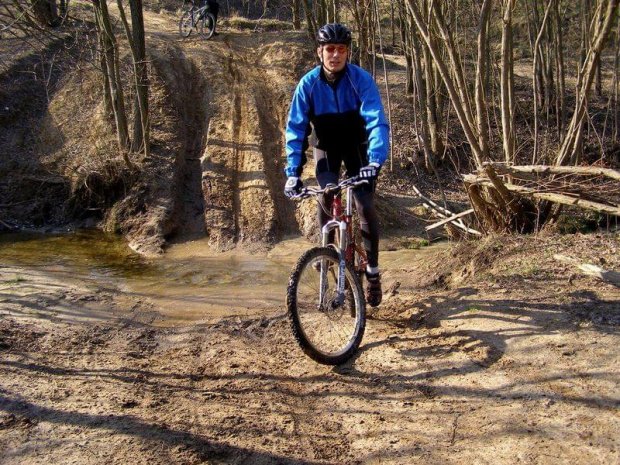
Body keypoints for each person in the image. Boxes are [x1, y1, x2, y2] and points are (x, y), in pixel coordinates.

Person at [283, 22, 390, 307]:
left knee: (365, 204)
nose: (335, 55)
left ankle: (373, 272)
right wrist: (292, 174)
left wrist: (376, 161)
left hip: (358, 150)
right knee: (326, 195)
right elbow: (296, 130)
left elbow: (377, 121)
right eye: (330, 49)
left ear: (348, 52)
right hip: (327, 149)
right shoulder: (308, 84)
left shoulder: (360, 79)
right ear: (320, 52)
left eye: (341, 49)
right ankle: (326, 252)